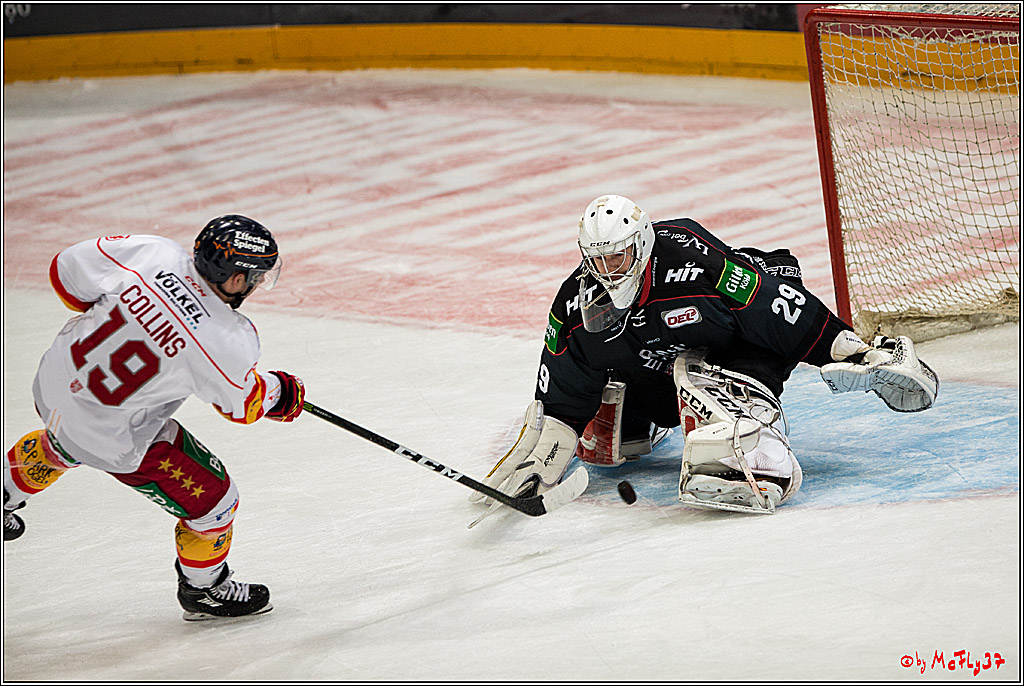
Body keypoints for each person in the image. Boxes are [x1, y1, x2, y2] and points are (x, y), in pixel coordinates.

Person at [471, 195, 938, 515]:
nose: (606, 270)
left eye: (617, 256)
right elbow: (562, 390)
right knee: (603, 441)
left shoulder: (694, 265)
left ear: (642, 245)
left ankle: (754, 442)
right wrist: (544, 461)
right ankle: (644, 425)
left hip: (738, 343)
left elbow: (774, 307)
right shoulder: (576, 302)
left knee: (701, 378)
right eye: (597, 259)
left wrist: (846, 347)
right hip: (654, 364)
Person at [3, 215, 306, 619]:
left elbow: (66, 274)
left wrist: (132, 316)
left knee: (65, 440)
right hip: (112, 435)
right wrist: (281, 392)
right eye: (254, 276)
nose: (254, 286)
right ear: (235, 279)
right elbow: (242, 405)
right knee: (216, 505)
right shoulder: (226, 337)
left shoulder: (152, 252)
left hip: (56, 383)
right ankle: (204, 590)